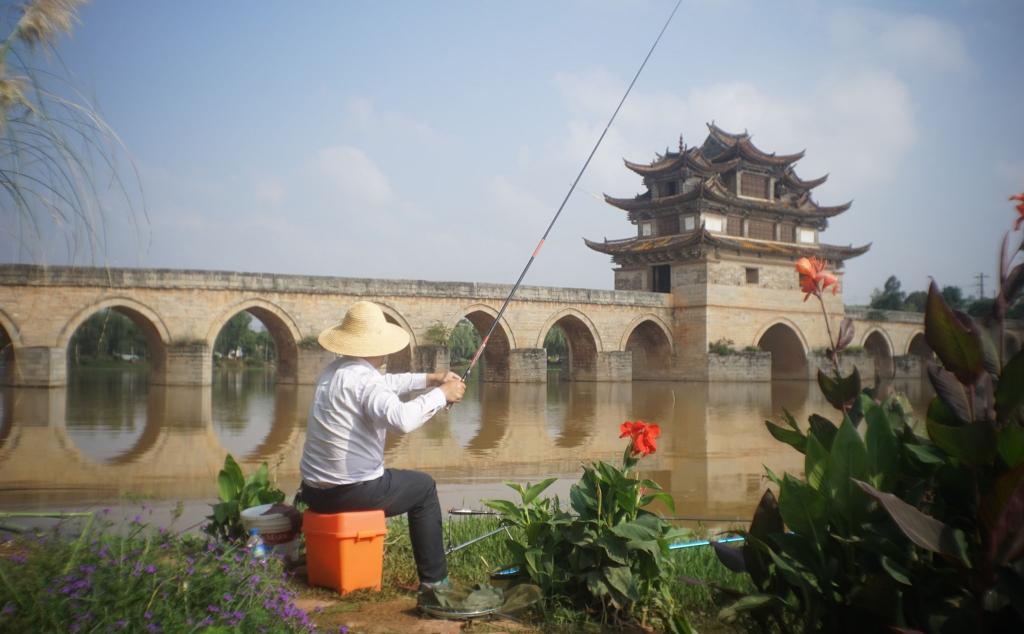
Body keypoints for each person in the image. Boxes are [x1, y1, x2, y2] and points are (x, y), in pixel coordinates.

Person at [299, 300, 466, 592]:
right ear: (379, 343)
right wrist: (441, 394)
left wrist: (432, 378)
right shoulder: (365, 381)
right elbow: (401, 419)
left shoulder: (334, 372)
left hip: (313, 492)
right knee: (424, 488)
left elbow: (385, 382)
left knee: (404, 481)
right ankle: (435, 583)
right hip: (350, 491)